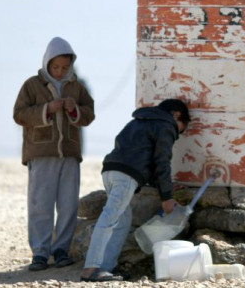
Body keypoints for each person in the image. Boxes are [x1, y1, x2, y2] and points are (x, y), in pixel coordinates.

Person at [80, 99, 191, 282]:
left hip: (110, 170)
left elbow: (144, 156)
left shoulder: (138, 120)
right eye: (181, 129)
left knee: (123, 220)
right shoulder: (166, 125)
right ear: (176, 115)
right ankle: (90, 270)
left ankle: (107, 267)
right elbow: (161, 163)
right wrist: (167, 198)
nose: (177, 133)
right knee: (110, 218)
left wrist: (165, 187)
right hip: (126, 176)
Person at [13, 36, 95, 271]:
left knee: (69, 205)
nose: (60, 72)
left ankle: (61, 250)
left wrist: (74, 109)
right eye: (55, 67)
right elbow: (19, 114)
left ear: (71, 66)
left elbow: (89, 114)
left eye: (64, 68)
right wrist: (47, 109)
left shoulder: (77, 87)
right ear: (47, 63)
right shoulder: (31, 85)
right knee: (41, 204)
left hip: (69, 155)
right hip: (41, 154)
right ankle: (40, 252)